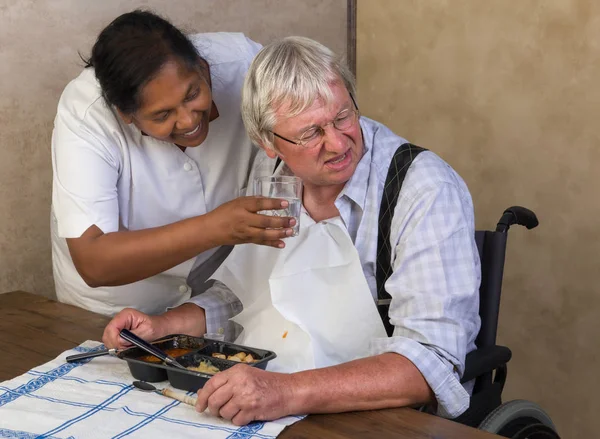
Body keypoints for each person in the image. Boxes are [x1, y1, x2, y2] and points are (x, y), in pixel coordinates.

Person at [102, 36, 481, 425]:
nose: (337, 143)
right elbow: (245, 296)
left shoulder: (424, 189)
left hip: (383, 414)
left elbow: (431, 364)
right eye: (310, 134)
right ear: (268, 143)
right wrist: (162, 328)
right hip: (275, 397)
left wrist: (284, 392)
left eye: (343, 117)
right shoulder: (273, 174)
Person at [51, 10, 295, 316]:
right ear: (125, 114)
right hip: (113, 309)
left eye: (193, 93)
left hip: (208, 304)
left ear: (204, 69)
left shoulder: (247, 66)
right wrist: (217, 227)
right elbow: (94, 261)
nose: (188, 120)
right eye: (162, 115)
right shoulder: (86, 114)